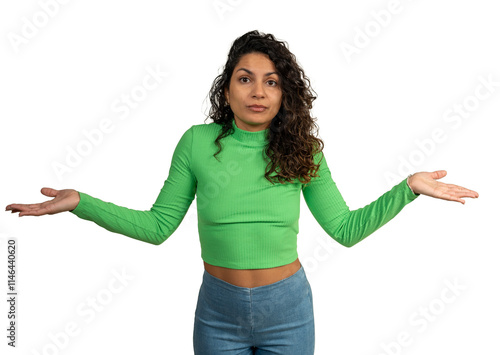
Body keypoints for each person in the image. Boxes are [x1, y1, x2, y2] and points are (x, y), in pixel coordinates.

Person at [5, 30, 478, 355]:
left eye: (271, 81)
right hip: (218, 310)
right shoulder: (196, 142)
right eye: (245, 78)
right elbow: (157, 227)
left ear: (284, 94)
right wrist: (81, 204)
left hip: (289, 308)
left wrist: (408, 189)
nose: (258, 91)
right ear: (226, 90)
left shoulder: (304, 150)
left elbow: (345, 229)